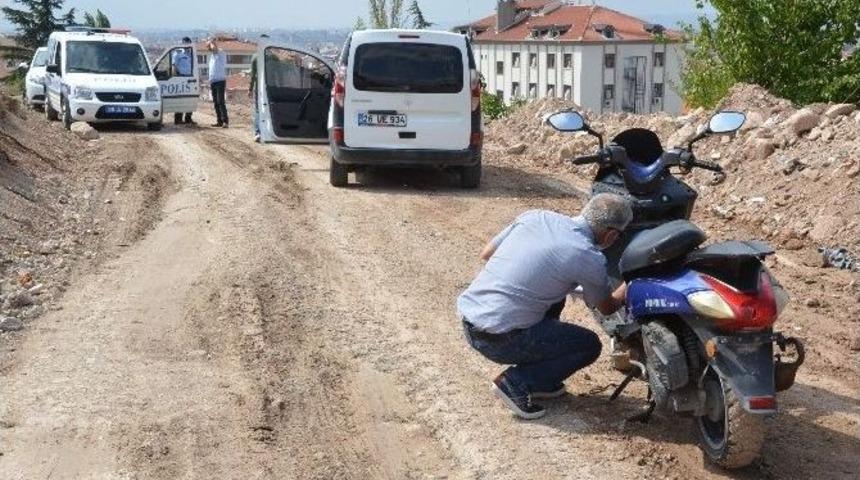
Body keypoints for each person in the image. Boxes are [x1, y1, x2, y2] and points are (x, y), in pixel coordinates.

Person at [457, 193, 633, 420]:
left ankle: (543, 379)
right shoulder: (587, 256)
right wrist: (631, 282)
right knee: (588, 345)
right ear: (610, 235)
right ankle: (515, 383)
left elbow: (487, 253)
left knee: (555, 298)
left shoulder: (536, 216)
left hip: (470, 323)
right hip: (501, 340)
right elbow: (608, 307)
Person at [249, 34, 269, 142]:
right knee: (268, 109)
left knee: (258, 110)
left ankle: (258, 133)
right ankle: (267, 132)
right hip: (270, 87)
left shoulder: (256, 57)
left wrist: (250, 89)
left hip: (259, 87)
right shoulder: (273, 57)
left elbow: (253, 76)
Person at [171, 37, 196, 125]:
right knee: (180, 99)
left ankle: (188, 118)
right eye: (185, 43)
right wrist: (176, 78)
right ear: (182, 43)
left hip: (191, 79)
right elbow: (174, 66)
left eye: (188, 43)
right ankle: (178, 119)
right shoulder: (178, 53)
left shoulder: (192, 54)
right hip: (180, 78)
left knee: (190, 99)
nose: (186, 45)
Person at [207, 40, 229, 128]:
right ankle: (219, 121)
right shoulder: (212, 56)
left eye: (209, 46)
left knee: (220, 101)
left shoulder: (220, 53)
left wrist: (211, 42)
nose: (208, 48)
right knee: (216, 102)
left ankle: (225, 121)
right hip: (213, 81)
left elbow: (215, 48)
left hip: (220, 81)